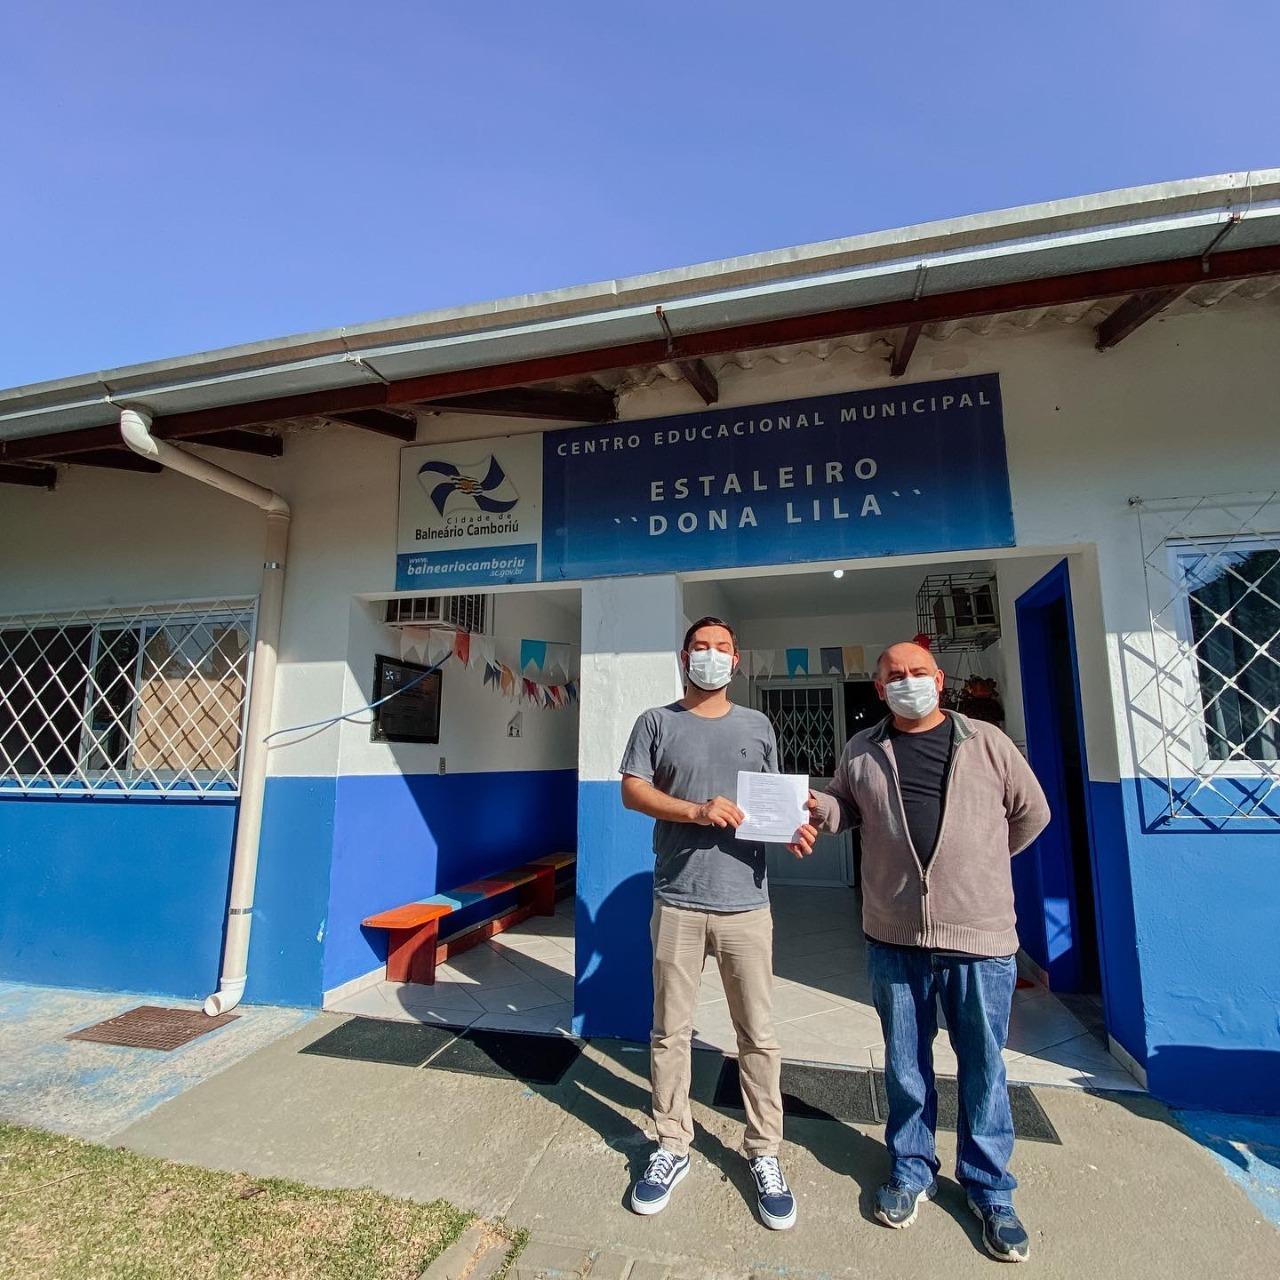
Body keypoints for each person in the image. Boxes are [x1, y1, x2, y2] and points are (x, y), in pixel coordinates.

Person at [789, 641, 1049, 1263]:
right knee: (905, 1062)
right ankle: (910, 1169)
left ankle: (991, 1189)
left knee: (985, 1066)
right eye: (894, 676)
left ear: (940, 679)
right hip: (894, 936)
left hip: (979, 941)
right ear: (879, 689)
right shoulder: (862, 749)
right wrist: (813, 808)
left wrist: (980, 871)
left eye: (917, 673)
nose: (907, 682)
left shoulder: (987, 742)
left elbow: (1030, 815)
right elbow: (843, 806)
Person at [619, 616, 797, 1230]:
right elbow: (632, 792)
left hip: (747, 902)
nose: (711, 657)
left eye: (722, 648)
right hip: (678, 900)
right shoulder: (656, 722)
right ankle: (671, 1143)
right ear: (684, 656)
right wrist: (695, 810)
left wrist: (794, 825)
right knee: (671, 1030)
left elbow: (774, 798)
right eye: (702, 648)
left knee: (759, 1034)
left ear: (737, 660)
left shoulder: (759, 725)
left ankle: (764, 1151)